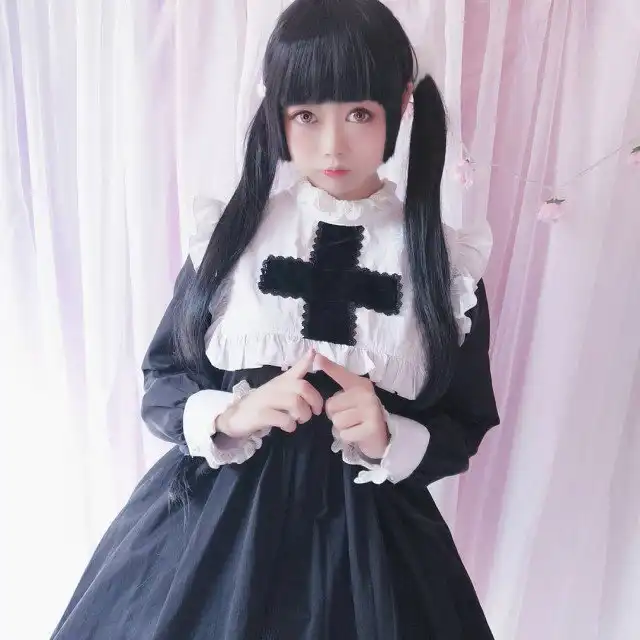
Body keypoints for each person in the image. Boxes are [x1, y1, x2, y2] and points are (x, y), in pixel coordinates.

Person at [51, 0, 500, 638]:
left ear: (401, 104)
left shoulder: (443, 266)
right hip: (213, 534)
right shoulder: (234, 239)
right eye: (307, 115)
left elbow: (464, 421)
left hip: (370, 550)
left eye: (359, 113)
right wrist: (233, 414)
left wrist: (387, 435)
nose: (333, 144)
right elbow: (164, 378)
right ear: (277, 112)